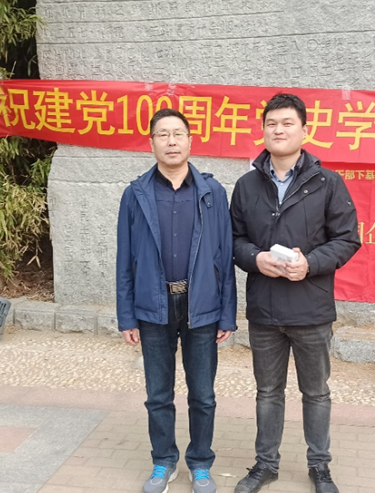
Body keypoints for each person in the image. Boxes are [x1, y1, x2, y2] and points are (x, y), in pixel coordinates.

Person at [230, 93, 361, 493]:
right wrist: (255, 258)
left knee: (316, 393)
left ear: (305, 130)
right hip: (265, 309)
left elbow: (347, 239)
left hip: (311, 308)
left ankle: (319, 466)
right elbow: (233, 240)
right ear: (263, 130)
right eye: (271, 124)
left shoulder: (328, 183)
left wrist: (311, 263)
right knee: (268, 392)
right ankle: (265, 465)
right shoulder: (247, 185)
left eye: (287, 123)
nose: (279, 130)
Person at [116, 108, 236, 493]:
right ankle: (163, 461)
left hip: (201, 307)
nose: (171, 141)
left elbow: (225, 256)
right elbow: (125, 259)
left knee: (203, 395)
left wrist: (227, 315)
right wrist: (126, 316)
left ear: (189, 141)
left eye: (178, 133)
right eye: (163, 134)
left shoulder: (212, 193)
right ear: (151, 143)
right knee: (158, 395)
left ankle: (200, 463)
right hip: (154, 308)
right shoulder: (135, 194)